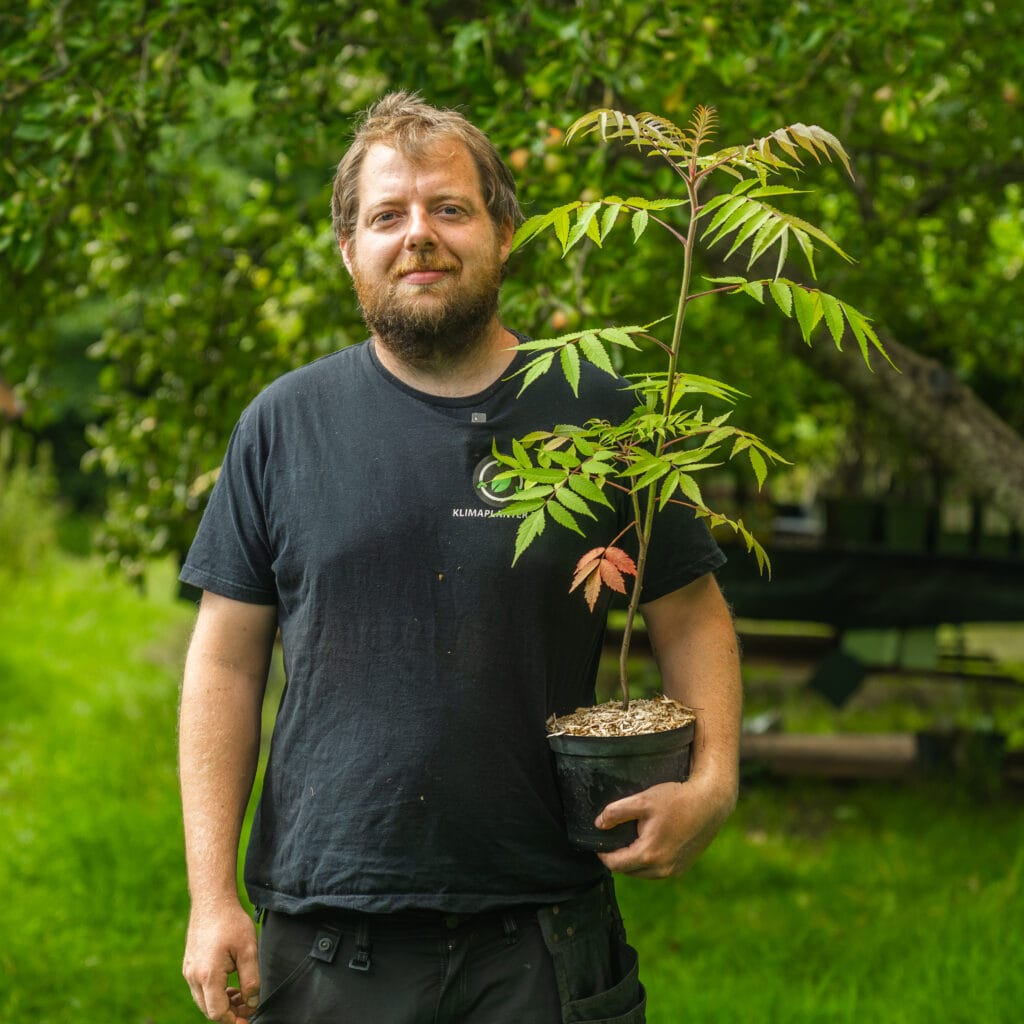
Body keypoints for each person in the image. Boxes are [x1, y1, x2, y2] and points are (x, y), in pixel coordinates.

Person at [178, 92, 741, 1024]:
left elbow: (691, 612)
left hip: (546, 932)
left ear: (504, 232)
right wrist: (210, 898)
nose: (419, 237)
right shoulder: (284, 424)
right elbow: (224, 663)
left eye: (449, 209)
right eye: (387, 216)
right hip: (328, 934)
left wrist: (713, 782)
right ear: (348, 250)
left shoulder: (601, 412)